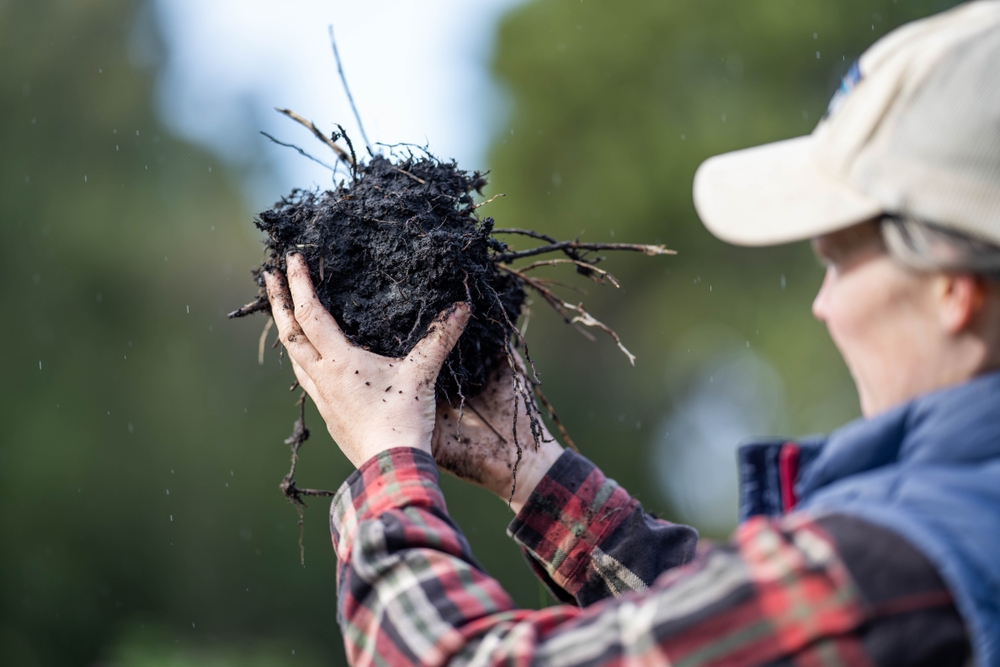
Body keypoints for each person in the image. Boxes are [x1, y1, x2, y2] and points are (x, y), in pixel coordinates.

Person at [262, 4, 1000, 666]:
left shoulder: (898, 573)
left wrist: (388, 459)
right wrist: (527, 466)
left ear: (951, 289)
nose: (824, 307)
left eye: (838, 262)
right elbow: (728, 635)